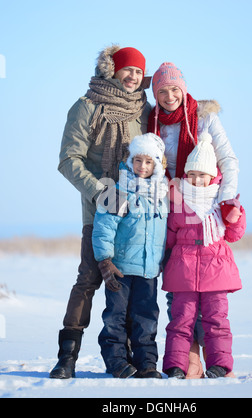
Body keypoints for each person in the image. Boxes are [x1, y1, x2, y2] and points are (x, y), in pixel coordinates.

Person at [50, 45, 152, 379]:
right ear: (112, 70)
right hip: (99, 213)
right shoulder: (87, 107)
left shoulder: (144, 110)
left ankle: (128, 360)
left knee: (132, 287)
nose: (133, 76)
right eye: (128, 69)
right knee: (89, 279)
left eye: (139, 71)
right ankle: (67, 357)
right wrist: (101, 193)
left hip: (136, 218)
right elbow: (68, 160)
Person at [148, 62, 240, 378]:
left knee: (212, 309)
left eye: (175, 89)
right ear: (155, 94)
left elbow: (228, 161)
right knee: (181, 301)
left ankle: (216, 362)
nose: (170, 95)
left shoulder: (204, 119)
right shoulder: (153, 122)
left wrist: (225, 201)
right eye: (162, 90)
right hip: (171, 208)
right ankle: (188, 359)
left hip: (205, 203)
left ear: (184, 90)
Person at [162, 133, 246, 379]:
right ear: (186, 175)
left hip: (216, 270)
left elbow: (233, 235)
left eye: (202, 175)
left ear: (213, 176)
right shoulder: (179, 202)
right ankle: (177, 366)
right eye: (193, 174)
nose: (197, 180)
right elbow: (169, 235)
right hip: (183, 272)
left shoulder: (222, 202)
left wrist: (236, 217)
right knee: (180, 320)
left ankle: (220, 365)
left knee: (217, 320)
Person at [92, 133, 168, 379]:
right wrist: (105, 260)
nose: (142, 166)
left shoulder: (162, 197)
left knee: (146, 318)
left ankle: (146, 363)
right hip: (120, 269)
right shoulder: (117, 189)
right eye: (138, 160)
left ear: (157, 165)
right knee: (115, 317)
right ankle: (116, 361)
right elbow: (103, 226)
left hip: (148, 271)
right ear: (129, 160)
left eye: (148, 162)